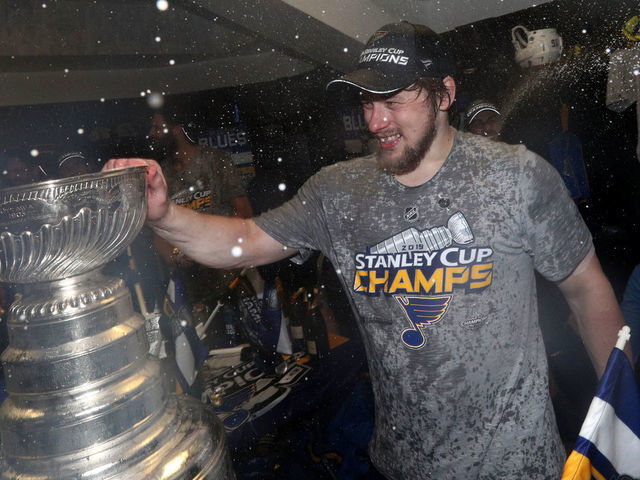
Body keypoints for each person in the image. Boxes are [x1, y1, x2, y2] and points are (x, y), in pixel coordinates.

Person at [105, 21, 629, 480]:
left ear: (445, 94)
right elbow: (243, 243)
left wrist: (626, 418)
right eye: (367, 101)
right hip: (402, 465)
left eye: (395, 100)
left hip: (517, 465)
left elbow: (586, 290)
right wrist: (164, 215)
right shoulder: (338, 193)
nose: (375, 120)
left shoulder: (516, 176)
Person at [147, 108, 253, 307]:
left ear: (177, 130)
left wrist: (216, 245)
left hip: (230, 276)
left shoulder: (214, 161)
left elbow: (244, 211)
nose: (152, 134)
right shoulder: (161, 175)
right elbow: (159, 233)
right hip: (192, 287)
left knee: (245, 333)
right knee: (208, 337)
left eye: (157, 128)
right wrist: (176, 255)